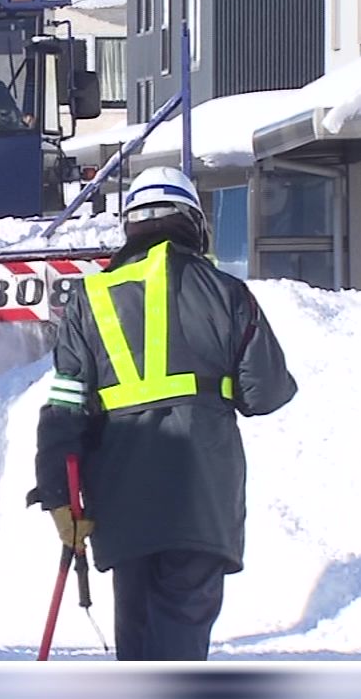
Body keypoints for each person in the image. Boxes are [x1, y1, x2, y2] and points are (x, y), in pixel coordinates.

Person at [31, 165, 297, 660]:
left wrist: (57, 496)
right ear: (195, 222)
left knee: (137, 633)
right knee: (181, 633)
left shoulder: (90, 300)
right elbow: (265, 395)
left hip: (121, 499)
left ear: (130, 225)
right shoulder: (228, 293)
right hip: (201, 497)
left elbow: (64, 410)